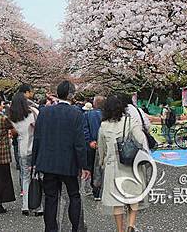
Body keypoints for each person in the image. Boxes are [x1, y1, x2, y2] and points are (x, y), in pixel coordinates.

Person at [32, 80, 89, 232]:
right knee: (74, 196)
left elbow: (37, 137)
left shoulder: (45, 111)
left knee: (50, 198)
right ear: (72, 95)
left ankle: (51, 229)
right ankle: (75, 228)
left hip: (48, 162)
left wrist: (35, 161)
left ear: (57, 93)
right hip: (68, 163)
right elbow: (79, 142)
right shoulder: (76, 113)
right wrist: (84, 165)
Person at [98, 96, 147, 232]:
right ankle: (131, 225)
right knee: (133, 197)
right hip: (130, 165)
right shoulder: (131, 122)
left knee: (117, 202)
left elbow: (102, 149)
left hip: (112, 167)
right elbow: (142, 140)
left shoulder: (104, 125)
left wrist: (102, 162)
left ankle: (120, 230)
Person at [8, 92, 42, 216]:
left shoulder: (12, 116)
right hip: (35, 148)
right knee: (37, 177)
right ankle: (38, 206)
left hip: (22, 149)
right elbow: (40, 126)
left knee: (25, 177)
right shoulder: (32, 112)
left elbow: (14, 133)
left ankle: (25, 205)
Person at [83, 96, 104, 201]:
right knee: (102, 166)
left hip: (91, 145)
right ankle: (101, 189)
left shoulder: (87, 115)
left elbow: (85, 129)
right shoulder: (106, 115)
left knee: (91, 166)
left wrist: (90, 141)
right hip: (103, 145)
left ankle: (94, 188)